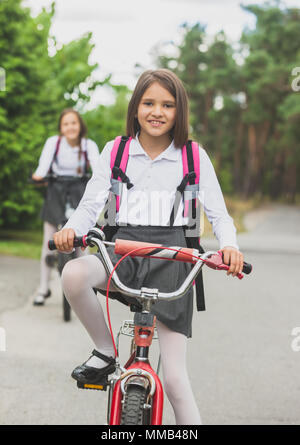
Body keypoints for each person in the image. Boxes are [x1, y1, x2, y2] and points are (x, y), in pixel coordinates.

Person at [53, 69, 244, 425]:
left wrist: (229, 247)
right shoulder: (117, 150)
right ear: (136, 107)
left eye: (168, 105)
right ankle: (105, 350)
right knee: (74, 273)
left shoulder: (192, 157)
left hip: (174, 258)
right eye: (149, 102)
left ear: (179, 111)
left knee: (174, 379)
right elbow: (90, 206)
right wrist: (70, 230)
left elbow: (220, 216)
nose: (157, 112)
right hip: (121, 249)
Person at [32, 108, 100, 306]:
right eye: (66, 124)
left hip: (79, 190)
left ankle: (85, 287)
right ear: (61, 128)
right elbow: (43, 166)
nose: (70, 127)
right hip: (56, 190)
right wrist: (38, 175)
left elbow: (98, 169)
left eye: (74, 123)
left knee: (82, 242)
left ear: (80, 126)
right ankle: (43, 288)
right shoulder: (54, 143)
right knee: (48, 240)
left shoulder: (89, 145)